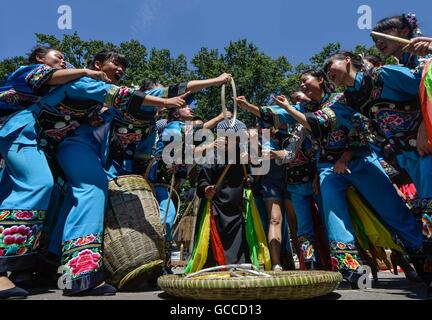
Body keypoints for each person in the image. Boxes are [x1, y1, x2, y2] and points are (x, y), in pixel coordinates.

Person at [273, 69, 422, 287]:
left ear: (320, 80)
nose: (301, 90)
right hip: (321, 172)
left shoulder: (339, 99)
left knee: (389, 211)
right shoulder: (300, 116)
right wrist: (250, 108)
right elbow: (308, 144)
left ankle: (419, 259)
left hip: (359, 161)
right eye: (298, 89)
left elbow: (356, 129)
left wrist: (344, 158)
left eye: (305, 83)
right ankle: (354, 275)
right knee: (334, 221)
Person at [0, 46, 111, 299]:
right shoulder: (28, 72)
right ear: (40, 59)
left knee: (41, 195)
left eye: (64, 58)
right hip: (18, 134)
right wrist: (84, 71)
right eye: (57, 56)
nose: (62, 60)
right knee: (37, 186)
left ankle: (64, 273)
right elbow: (48, 78)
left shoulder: (60, 92)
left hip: (40, 146)